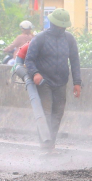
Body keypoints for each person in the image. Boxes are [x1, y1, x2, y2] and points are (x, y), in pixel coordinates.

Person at [23, 9, 81, 153]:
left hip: (61, 81)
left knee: (57, 113)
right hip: (44, 82)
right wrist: (35, 73)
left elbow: (75, 61)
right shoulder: (40, 38)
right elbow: (29, 60)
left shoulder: (69, 39)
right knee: (46, 112)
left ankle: (51, 143)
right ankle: (44, 143)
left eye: (63, 26)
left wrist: (77, 82)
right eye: (58, 25)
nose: (61, 28)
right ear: (53, 23)